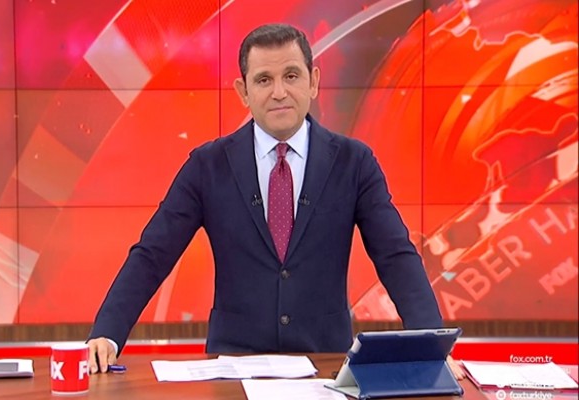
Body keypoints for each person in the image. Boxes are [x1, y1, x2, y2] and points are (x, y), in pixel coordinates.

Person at [87, 23, 465, 379]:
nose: (279, 92)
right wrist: (108, 333)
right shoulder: (208, 165)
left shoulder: (354, 162)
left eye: (291, 76)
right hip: (234, 364)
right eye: (264, 80)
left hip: (325, 361)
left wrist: (430, 345)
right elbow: (153, 254)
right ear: (243, 91)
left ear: (313, 81)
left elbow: (395, 255)